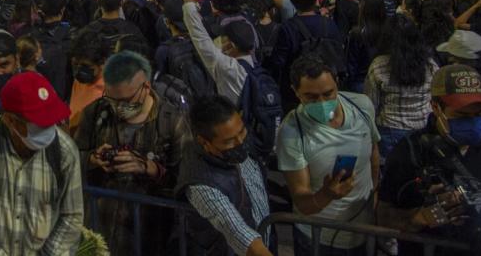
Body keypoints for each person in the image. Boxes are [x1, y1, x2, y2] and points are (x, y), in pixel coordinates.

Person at [379, 64, 481, 255]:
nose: (472, 121)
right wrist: (420, 218)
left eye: (479, 114)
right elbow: (383, 216)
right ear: (436, 107)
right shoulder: (410, 152)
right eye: (462, 115)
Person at [0, 72, 83, 255]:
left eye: (51, 120)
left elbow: (71, 217)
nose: (49, 129)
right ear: (10, 120)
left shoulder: (64, 152)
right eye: (39, 124)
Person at [74, 51, 190, 255]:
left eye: (126, 101)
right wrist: (92, 159)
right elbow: (72, 159)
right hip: (98, 228)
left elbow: (187, 183)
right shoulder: (95, 113)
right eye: (112, 100)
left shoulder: (173, 122)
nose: (119, 108)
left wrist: (151, 169)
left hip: (147, 236)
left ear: (146, 86)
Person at [276, 54, 380, 256]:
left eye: (328, 93)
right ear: (296, 92)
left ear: (337, 83)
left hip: (363, 230)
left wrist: (375, 192)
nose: (322, 102)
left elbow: (373, 153)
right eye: (311, 97)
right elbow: (302, 200)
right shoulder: (291, 132)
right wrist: (327, 195)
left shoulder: (362, 106)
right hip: (318, 238)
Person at [177, 95, 274, 256]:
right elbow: (236, 230)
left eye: (242, 132)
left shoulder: (240, 147)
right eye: (229, 141)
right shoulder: (201, 184)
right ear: (204, 142)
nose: (240, 142)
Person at [364, 14, 438, 159]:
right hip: (422, 126)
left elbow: (371, 104)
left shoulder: (379, 66)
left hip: (390, 129)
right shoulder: (430, 65)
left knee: (391, 174)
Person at [266, 0, 344, 112]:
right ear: (316, 0)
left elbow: (278, 61)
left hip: (296, 93)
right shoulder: (329, 24)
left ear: (293, 2)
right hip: (326, 88)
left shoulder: (288, 28)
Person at [180, 0, 254, 105]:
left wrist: (188, 2)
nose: (221, 44)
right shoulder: (248, 23)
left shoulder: (225, 66)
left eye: (224, 40)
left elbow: (201, 39)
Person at [67, 31, 114, 132]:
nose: (79, 71)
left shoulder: (111, 91)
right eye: (76, 64)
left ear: (103, 62)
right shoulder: (79, 81)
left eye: (86, 66)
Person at [32, 0, 74, 101]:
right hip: (65, 98)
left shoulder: (31, 36)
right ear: (62, 10)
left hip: (38, 95)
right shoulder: (72, 35)